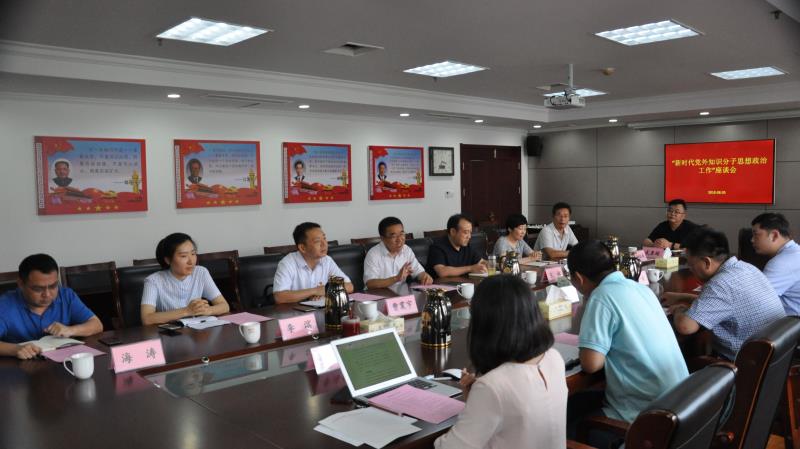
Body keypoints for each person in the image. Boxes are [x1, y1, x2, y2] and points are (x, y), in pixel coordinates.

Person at [434, 275, 567, 449]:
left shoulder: (492, 386)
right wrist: (477, 399)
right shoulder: (554, 357)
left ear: (484, 324)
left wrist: (477, 401)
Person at [568, 240, 688, 426]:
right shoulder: (640, 288)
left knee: (567, 413)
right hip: (680, 407)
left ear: (578, 277)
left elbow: (591, 364)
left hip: (646, 418)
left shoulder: (601, 297)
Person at [667, 226, 786, 360]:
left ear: (706, 262)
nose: (690, 269)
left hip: (744, 364)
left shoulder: (720, 284)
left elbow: (685, 327)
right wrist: (682, 297)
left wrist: (679, 309)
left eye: (691, 265)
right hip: (774, 357)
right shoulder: (746, 267)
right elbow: (723, 302)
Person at [0, 254, 103, 360]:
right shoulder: (5, 304)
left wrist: (70, 330)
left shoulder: (66, 296)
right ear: (21, 284)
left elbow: (97, 325)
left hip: (62, 364)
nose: (47, 294)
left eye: (53, 286)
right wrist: (15, 349)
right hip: (21, 366)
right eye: (38, 289)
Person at [140, 233, 230, 325]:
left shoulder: (201, 272)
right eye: (183, 256)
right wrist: (187, 311)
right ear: (168, 260)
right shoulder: (153, 281)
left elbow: (224, 306)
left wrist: (206, 310)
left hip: (197, 330)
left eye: (193, 254)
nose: (191, 261)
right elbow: (147, 319)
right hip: (170, 331)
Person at [273, 222, 354, 304]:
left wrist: (326, 291)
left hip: (319, 308)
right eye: (317, 241)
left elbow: (349, 286)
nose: (324, 244)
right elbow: (280, 297)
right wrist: (315, 291)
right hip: (295, 310)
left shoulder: (327, 260)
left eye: (324, 238)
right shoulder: (287, 263)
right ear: (302, 248)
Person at [363, 217, 433, 290]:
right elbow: (370, 283)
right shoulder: (373, 254)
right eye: (393, 236)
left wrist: (425, 276)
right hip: (378, 294)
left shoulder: (406, 250)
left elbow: (418, 271)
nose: (399, 239)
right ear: (383, 238)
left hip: (401, 293)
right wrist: (396, 278)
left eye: (402, 234)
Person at [751, 213, 800, 315]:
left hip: (793, 323)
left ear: (774, 235)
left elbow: (754, 302)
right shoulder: (795, 253)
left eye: (756, 234)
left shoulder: (783, 262)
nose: (752, 240)